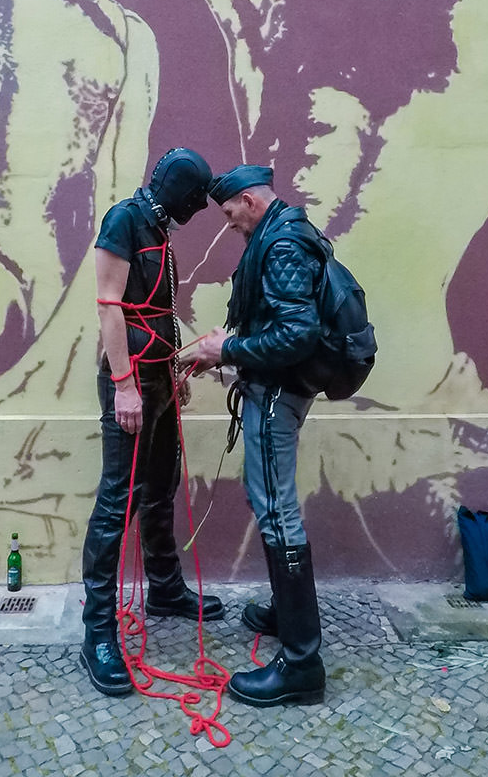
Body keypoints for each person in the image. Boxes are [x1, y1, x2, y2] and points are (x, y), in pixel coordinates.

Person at [81, 148, 225, 697]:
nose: (196, 208)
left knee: (161, 483)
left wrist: (172, 373)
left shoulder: (157, 225)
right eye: (195, 199)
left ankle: (163, 588)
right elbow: (109, 305)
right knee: (118, 498)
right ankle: (97, 631)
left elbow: (158, 307)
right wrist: (124, 384)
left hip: (159, 372)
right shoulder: (124, 219)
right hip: (132, 378)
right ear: (181, 193)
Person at [188, 164, 327, 708]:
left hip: (277, 393)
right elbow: (278, 320)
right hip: (273, 387)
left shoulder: (283, 241)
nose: (229, 226)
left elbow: (297, 333)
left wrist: (225, 351)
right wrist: (226, 347)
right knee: (272, 502)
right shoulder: (282, 232)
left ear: (249, 201)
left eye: (229, 214)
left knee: (276, 508)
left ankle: (301, 663)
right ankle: (284, 610)